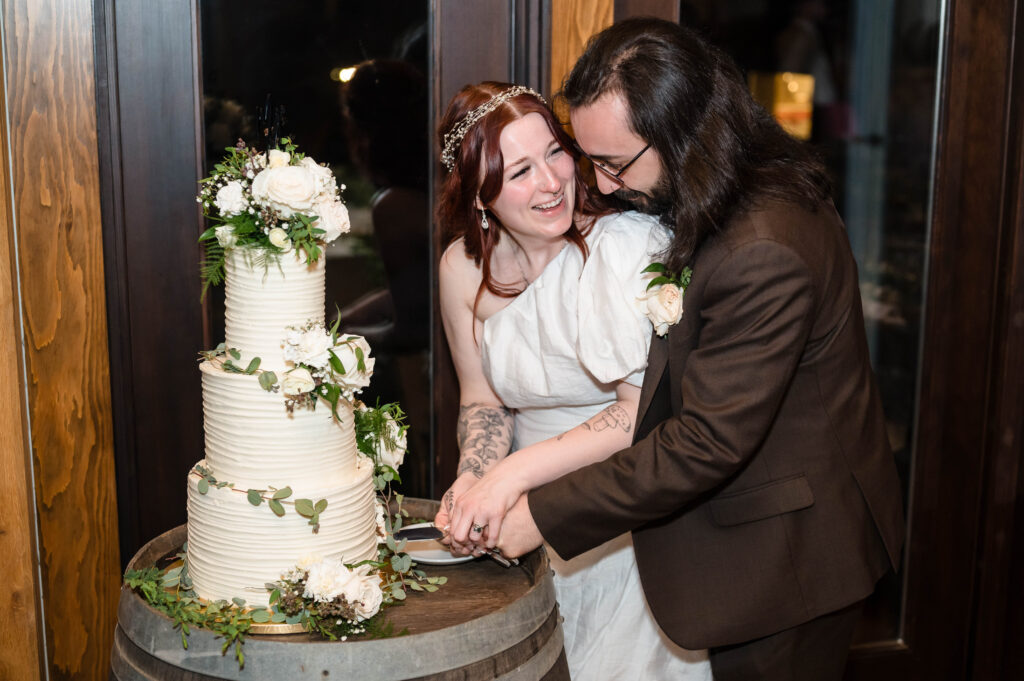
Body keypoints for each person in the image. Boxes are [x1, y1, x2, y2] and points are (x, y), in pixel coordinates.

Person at [454, 18, 906, 681]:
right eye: (591, 161)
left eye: (612, 163)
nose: (599, 186)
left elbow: (705, 440)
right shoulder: (720, 182)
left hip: (786, 558)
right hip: (740, 531)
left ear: (682, 132)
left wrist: (542, 514)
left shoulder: (762, 248)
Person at [433, 81, 712, 680]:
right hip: (518, 525)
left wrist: (510, 476)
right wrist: (475, 476)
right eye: (520, 171)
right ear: (481, 196)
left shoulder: (622, 245)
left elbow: (638, 413)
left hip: (621, 515)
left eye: (555, 153)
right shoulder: (461, 267)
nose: (553, 181)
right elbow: (482, 397)